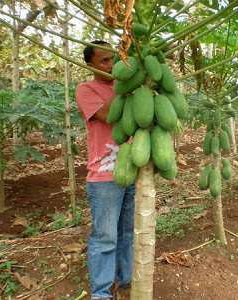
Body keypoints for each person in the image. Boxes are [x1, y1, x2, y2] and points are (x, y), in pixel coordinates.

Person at [75, 40, 135, 300]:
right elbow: (109, 115)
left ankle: (124, 281)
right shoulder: (86, 90)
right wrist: (131, 84)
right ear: (89, 65)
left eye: (114, 59)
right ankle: (101, 293)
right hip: (104, 176)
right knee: (105, 237)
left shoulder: (125, 87)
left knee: (125, 234)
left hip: (131, 171)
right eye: (104, 61)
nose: (112, 65)